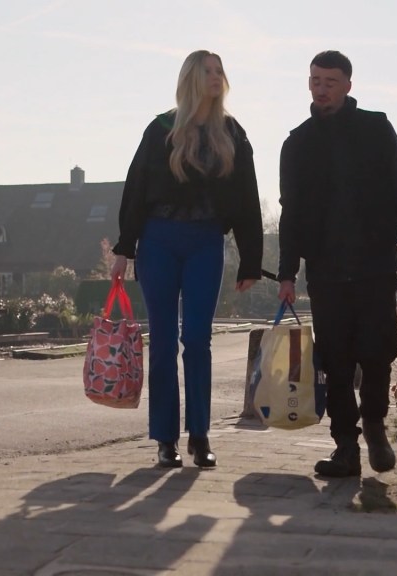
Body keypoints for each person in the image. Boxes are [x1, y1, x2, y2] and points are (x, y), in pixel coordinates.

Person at [277, 50, 397, 477]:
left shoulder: (376, 129)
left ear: (348, 85)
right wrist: (287, 272)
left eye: (330, 81)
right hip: (325, 269)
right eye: (315, 80)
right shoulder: (297, 143)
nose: (321, 89)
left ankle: (376, 427)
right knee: (335, 361)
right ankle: (346, 446)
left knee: (377, 352)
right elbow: (291, 212)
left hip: (374, 263)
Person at [110, 50, 264, 469]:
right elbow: (135, 189)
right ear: (192, 79)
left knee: (196, 339)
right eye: (207, 71)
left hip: (205, 242)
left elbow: (247, 198)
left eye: (219, 70)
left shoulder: (232, 133)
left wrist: (251, 260)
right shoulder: (160, 129)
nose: (216, 76)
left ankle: (199, 435)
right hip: (158, 241)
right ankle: (165, 439)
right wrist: (124, 248)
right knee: (162, 341)